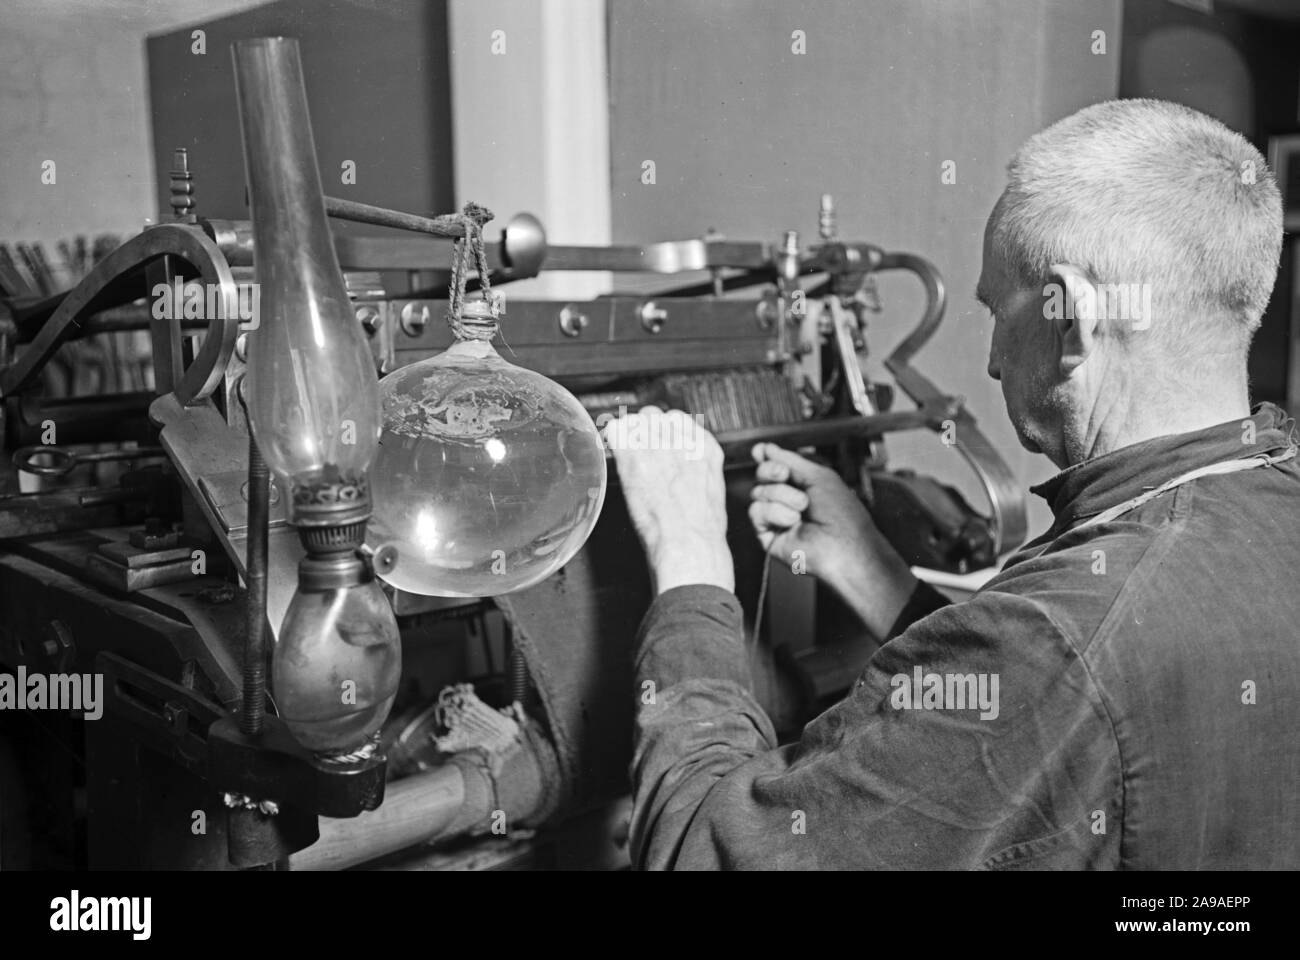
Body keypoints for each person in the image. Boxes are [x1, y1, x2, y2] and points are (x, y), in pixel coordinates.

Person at [604, 98, 1298, 870]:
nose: (996, 361)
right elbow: (1065, 723)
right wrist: (880, 578)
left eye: (997, 312)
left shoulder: (1055, 639)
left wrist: (689, 555)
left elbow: (705, 850)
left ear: (1073, 319)